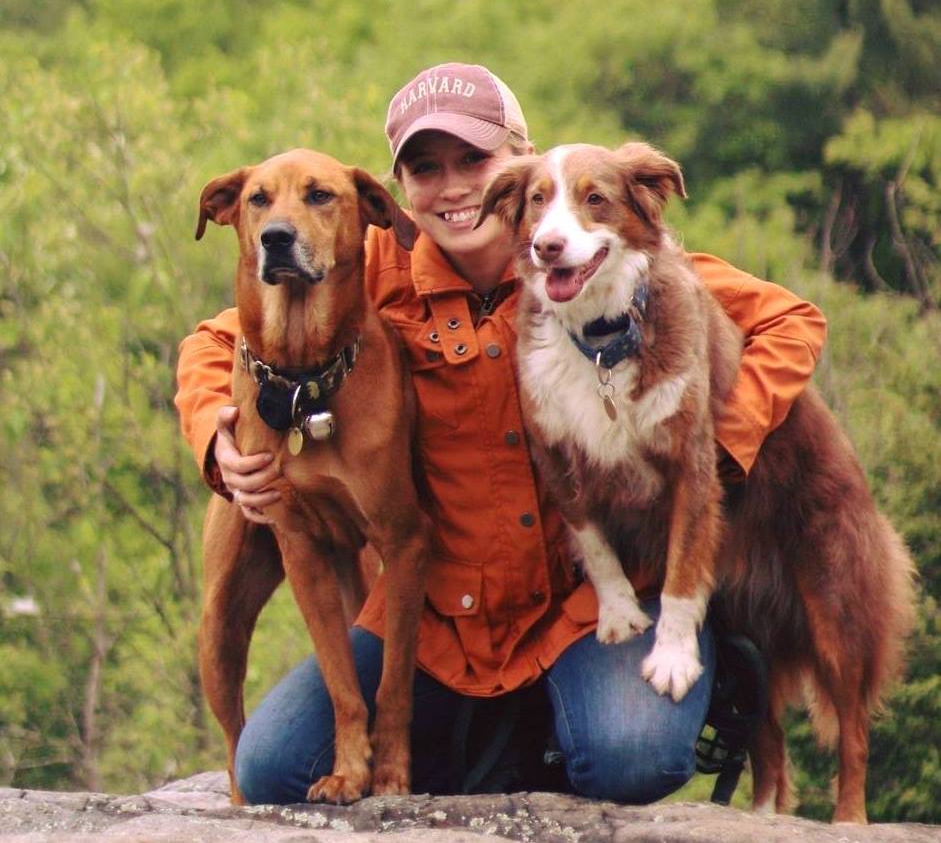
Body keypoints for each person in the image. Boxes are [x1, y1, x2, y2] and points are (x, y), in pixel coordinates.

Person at [175, 61, 827, 805]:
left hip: (585, 605)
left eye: (473, 160)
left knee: (630, 758)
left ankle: (686, 678)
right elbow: (217, 341)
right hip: (441, 624)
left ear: (518, 160)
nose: (452, 187)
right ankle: (502, 736)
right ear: (400, 187)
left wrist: (719, 448)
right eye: (425, 168)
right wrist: (215, 435)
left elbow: (788, 318)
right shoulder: (372, 260)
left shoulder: (591, 254)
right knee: (273, 772)